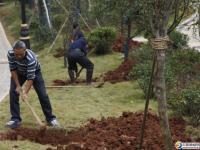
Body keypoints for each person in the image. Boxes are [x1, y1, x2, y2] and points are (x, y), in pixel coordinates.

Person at [6, 40, 58, 128]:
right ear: (13, 51)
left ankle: (50, 118)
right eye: (16, 54)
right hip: (19, 72)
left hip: (35, 73)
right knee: (13, 92)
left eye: (21, 54)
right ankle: (15, 119)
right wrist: (18, 86)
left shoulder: (31, 59)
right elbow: (13, 69)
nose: (18, 56)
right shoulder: (10, 54)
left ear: (25, 50)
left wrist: (25, 93)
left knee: (43, 95)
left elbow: (30, 78)